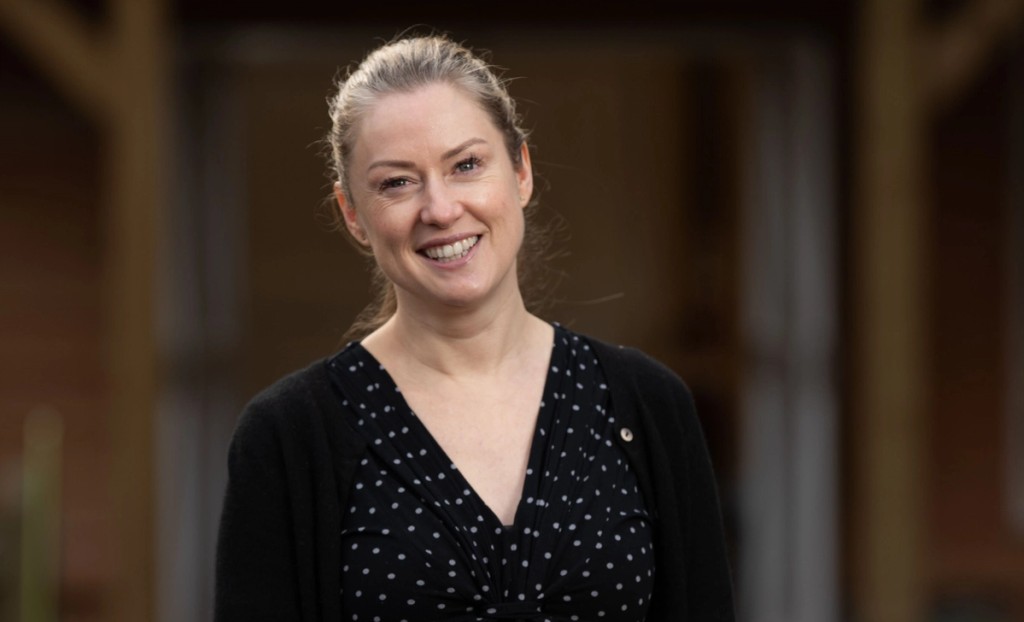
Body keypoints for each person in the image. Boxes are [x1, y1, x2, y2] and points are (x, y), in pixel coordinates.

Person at [214, 34, 734, 622]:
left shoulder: (646, 405)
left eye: (466, 165)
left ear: (521, 172)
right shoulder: (288, 437)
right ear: (352, 215)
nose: (439, 208)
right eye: (396, 182)